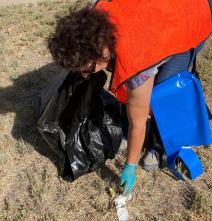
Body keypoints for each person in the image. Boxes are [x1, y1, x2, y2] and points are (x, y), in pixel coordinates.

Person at [48, 0, 212, 194]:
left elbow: (138, 123)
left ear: (102, 52)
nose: (85, 74)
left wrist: (130, 165)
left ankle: (158, 146)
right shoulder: (92, 19)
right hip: (159, 12)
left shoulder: (136, 62)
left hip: (191, 13)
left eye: (87, 69)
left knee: (163, 92)